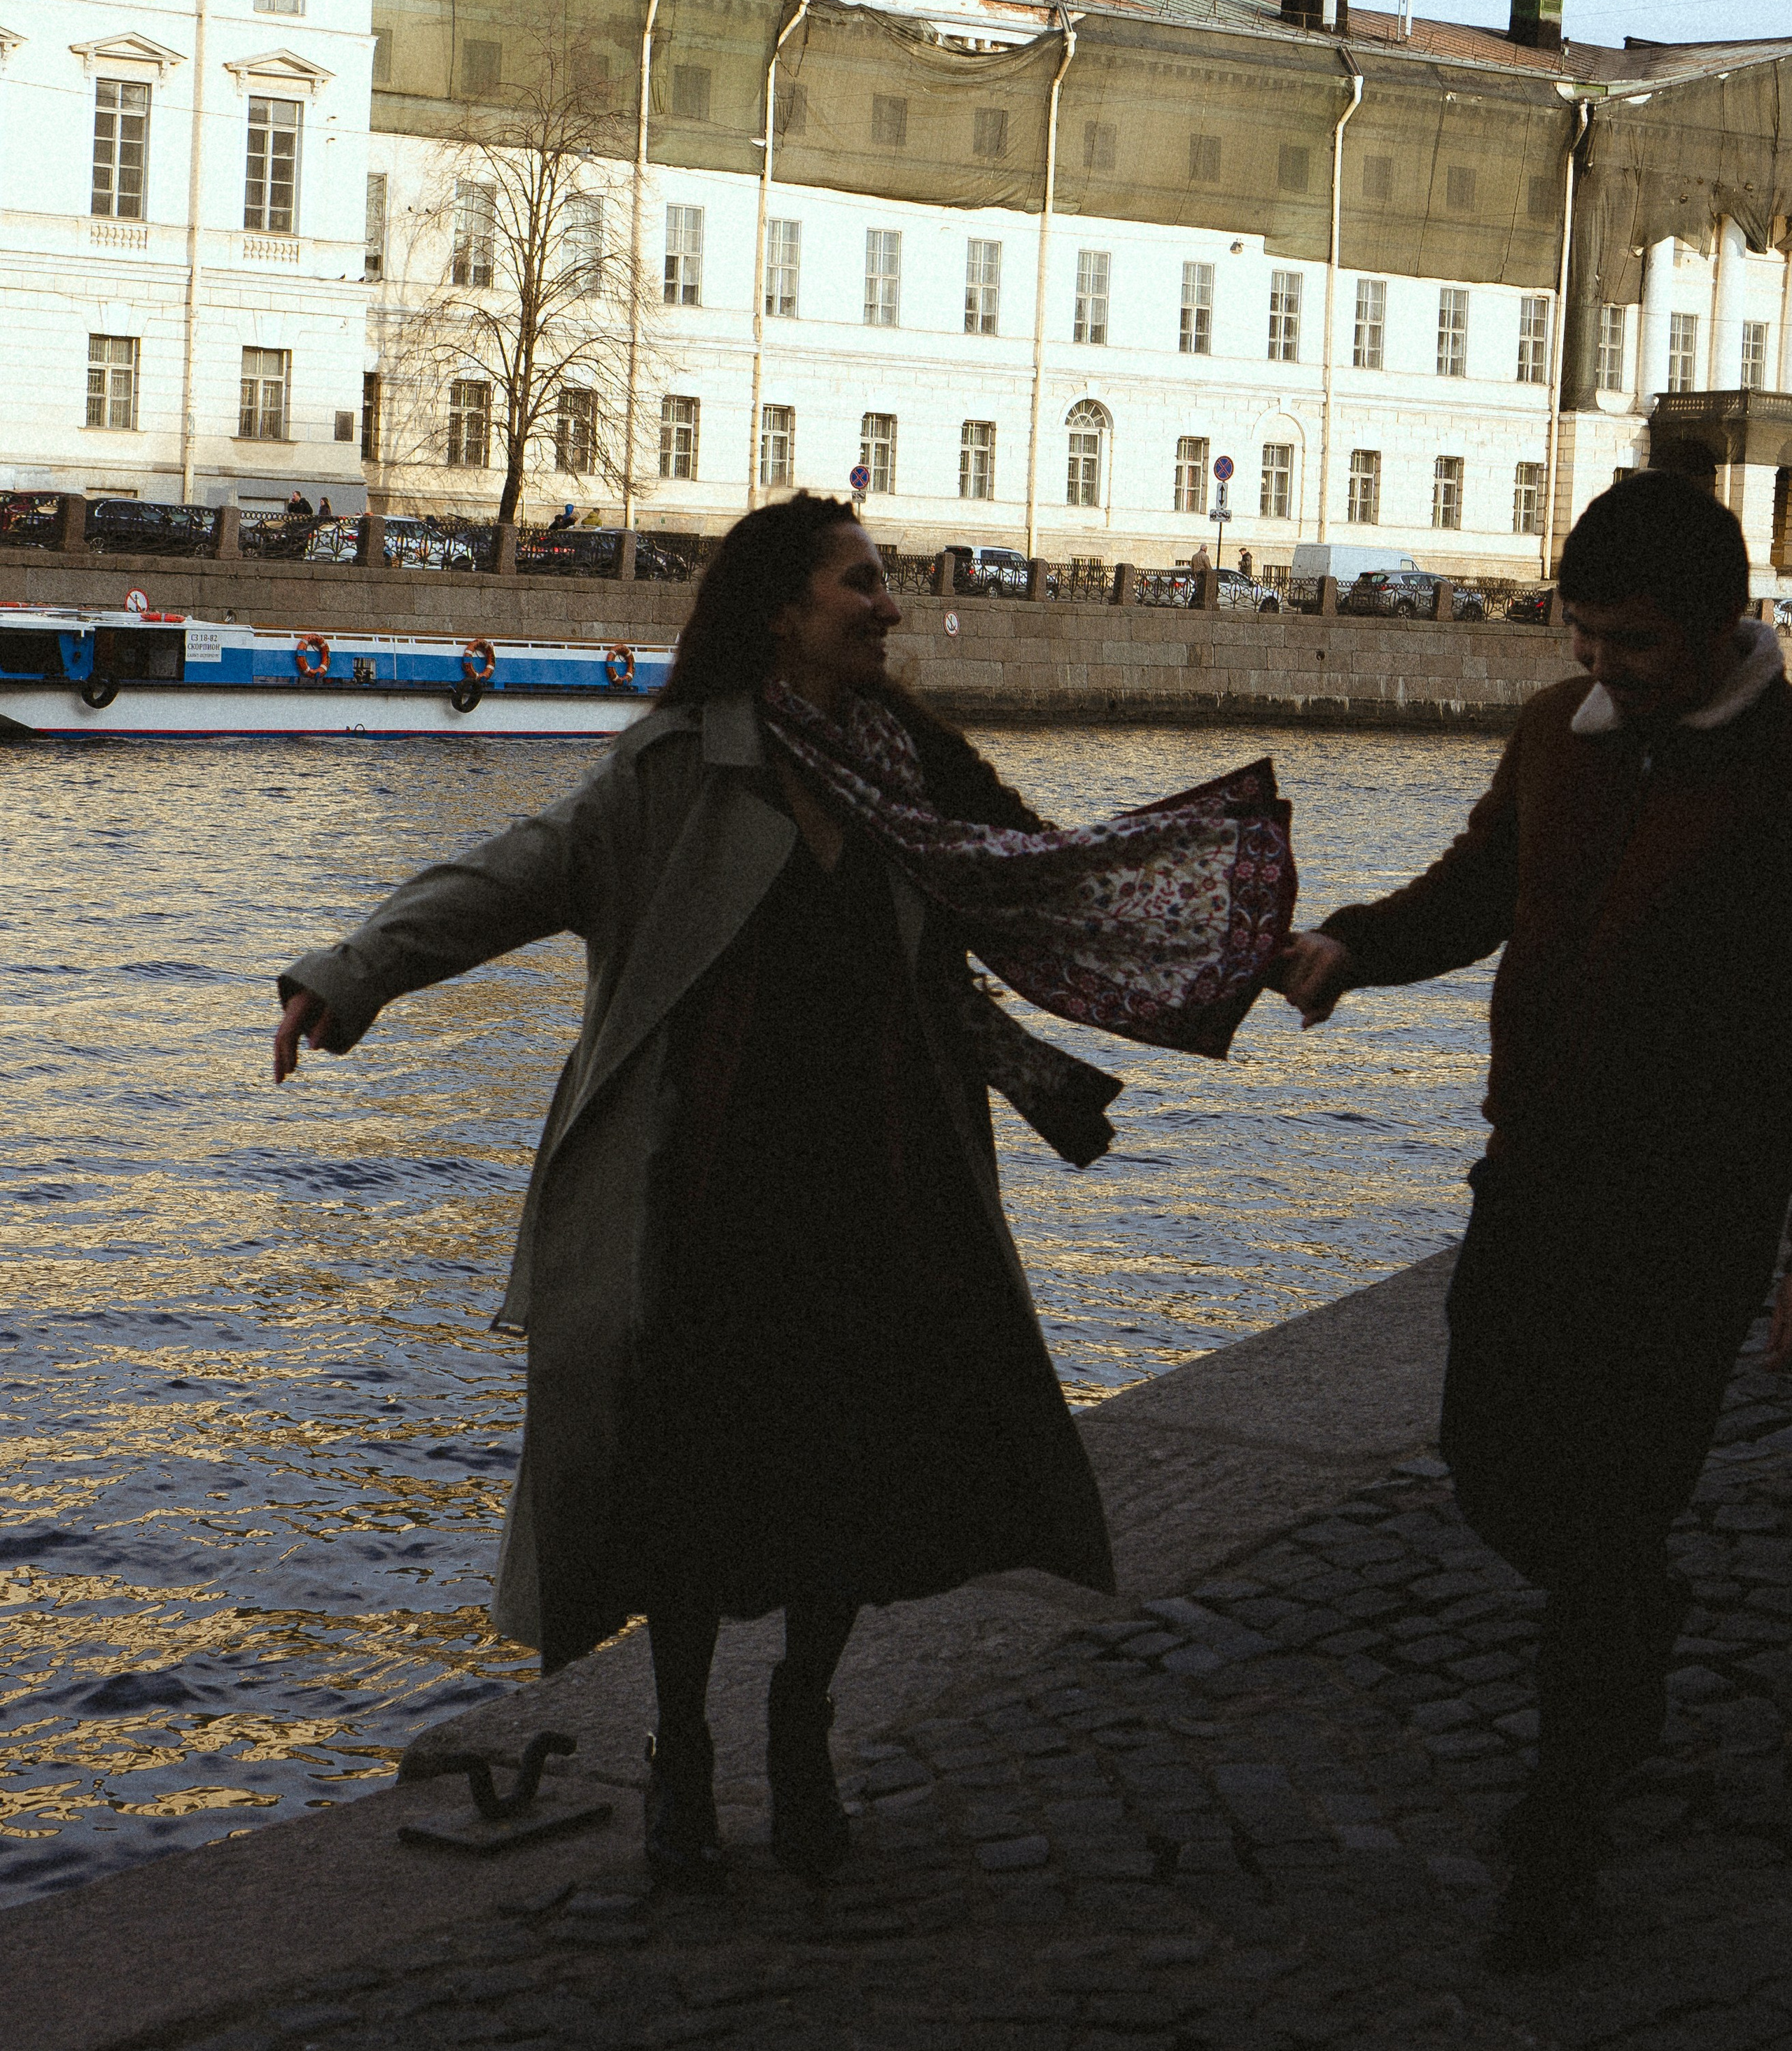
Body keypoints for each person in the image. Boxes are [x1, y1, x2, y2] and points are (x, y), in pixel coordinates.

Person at [274, 496, 1129, 1888]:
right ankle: (681, 1748)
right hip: (710, 1192)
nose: (888, 606)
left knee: (844, 1476)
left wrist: (1250, 946)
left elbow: (1052, 887)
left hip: (876, 1182)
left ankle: (799, 1726)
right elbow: (517, 871)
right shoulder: (673, 772)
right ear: (779, 612)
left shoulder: (910, 765)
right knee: (694, 1484)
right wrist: (349, 971)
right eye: (860, 584)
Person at [1278, 470, 1792, 1971]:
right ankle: (1627, 1617)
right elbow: (1480, 886)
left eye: (1629, 643)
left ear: (1718, 629)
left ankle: (1559, 1833)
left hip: (1689, 1211)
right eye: (1582, 634)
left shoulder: (1784, 770)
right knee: (1489, 1460)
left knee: (1612, 1500)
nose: (1598, 666)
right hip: (1534, 1176)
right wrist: (1350, 948)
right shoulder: (1551, 738)